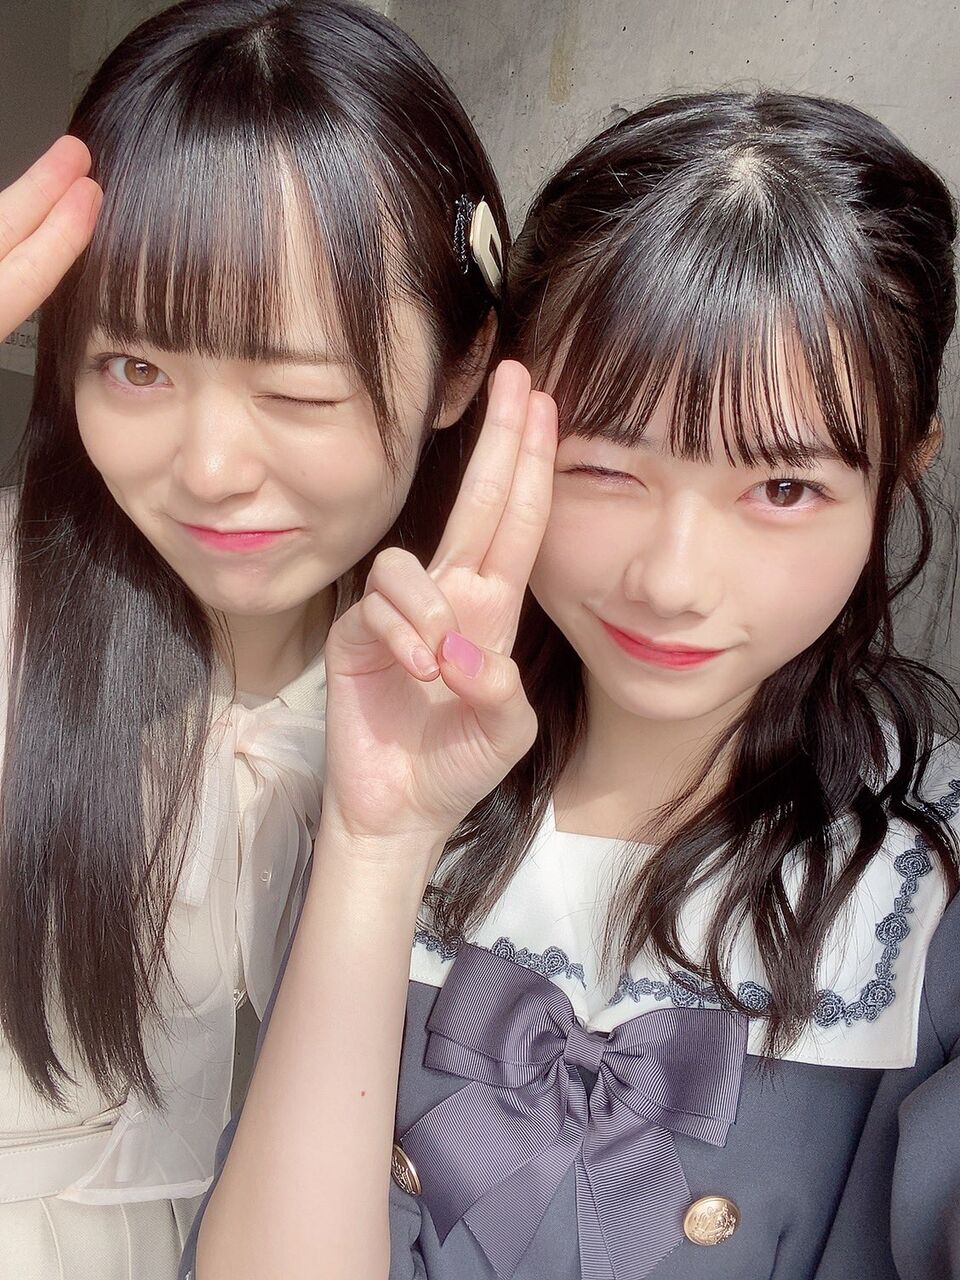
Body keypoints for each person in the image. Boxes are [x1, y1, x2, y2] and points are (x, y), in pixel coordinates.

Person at [187, 91, 960, 1280]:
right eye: (606, 469)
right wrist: (375, 844)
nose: (672, 580)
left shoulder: (926, 889)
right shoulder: (403, 781)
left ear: (903, 463)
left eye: (783, 489)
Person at [0, 2, 513, 1277]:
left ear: (461, 371)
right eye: (134, 368)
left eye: (297, 389)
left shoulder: (482, 692)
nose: (209, 468)